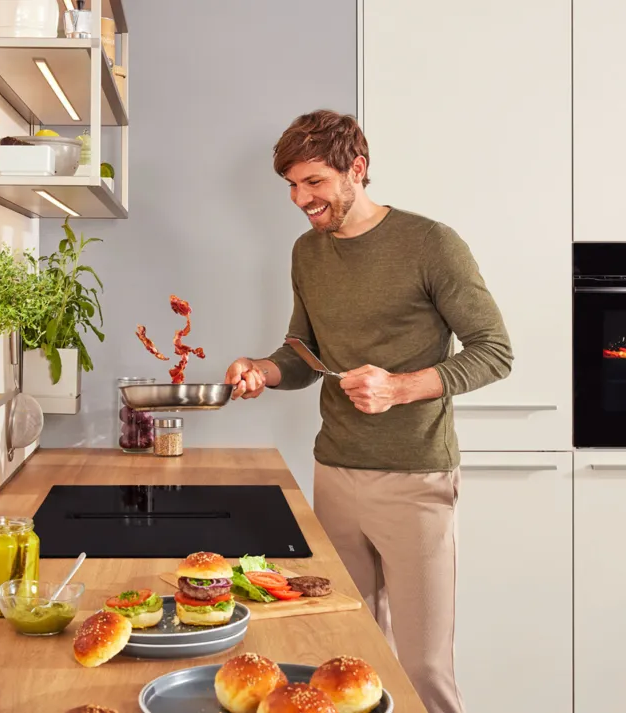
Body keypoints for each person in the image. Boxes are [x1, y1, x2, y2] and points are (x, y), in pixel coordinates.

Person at [223, 109, 512, 713]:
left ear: (357, 169)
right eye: (293, 186)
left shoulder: (430, 243)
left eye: (314, 182)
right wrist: (262, 370)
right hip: (334, 474)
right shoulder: (308, 252)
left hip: (415, 478)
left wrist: (399, 387)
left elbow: (494, 353)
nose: (302, 199)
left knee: (423, 667)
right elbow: (303, 355)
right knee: (345, 656)